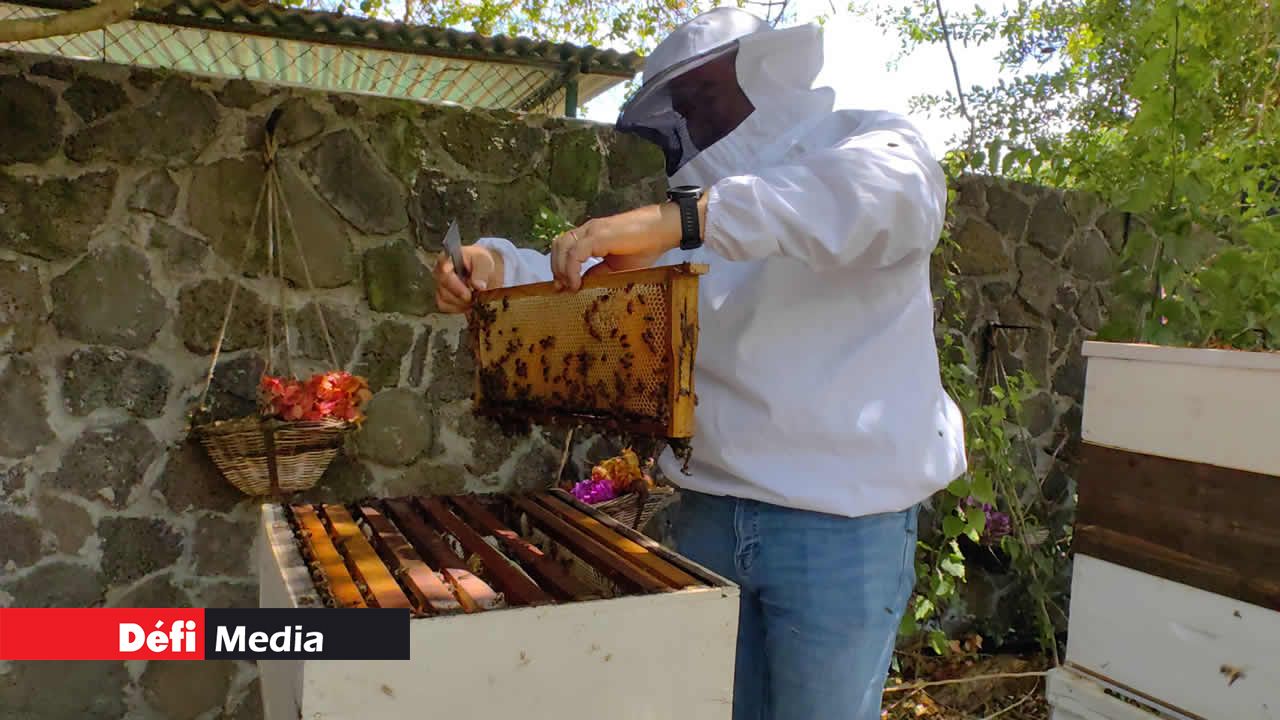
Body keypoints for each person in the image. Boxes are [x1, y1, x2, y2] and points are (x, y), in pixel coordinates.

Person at [433, 7, 967, 720]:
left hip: (838, 526)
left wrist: (684, 218)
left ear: (764, 73)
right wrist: (495, 267)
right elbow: (590, 285)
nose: (693, 121)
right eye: (681, 108)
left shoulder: (868, 143)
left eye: (705, 97)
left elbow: (883, 200)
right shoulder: (698, 209)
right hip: (711, 512)